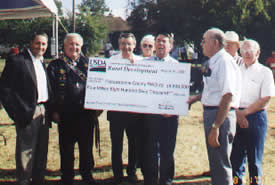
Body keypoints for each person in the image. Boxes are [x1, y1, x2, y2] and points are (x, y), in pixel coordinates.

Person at [188, 28, 239, 185]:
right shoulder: (214, 61)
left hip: (220, 117)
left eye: (204, 40)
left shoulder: (224, 61)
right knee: (216, 164)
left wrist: (216, 127)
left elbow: (227, 96)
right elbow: (214, 90)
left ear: (215, 43)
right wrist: (196, 98)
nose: (201, 44)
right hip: (213, 113)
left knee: (221, 164)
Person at [47, 33, 99, 185]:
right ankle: (67, 175)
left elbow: (102, 86)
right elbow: (50, 90)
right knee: (66, 148)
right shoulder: (55, 65)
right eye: (71, 44)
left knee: (86, 148)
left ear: (81, 46)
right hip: (65, 115)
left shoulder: (91, 64)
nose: (74, 47)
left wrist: (98, 108)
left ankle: (87, 174)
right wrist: (54, 111)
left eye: (77, 44)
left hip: (86, 114)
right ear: (64, 46)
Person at [0, 32, 51, 185]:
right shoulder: (17, 61)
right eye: (37, 43)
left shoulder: (42, 61)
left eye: (43, 44)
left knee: (41, 150)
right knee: (26, 150)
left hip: (43, 110)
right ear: (30, 43)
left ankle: (38, 179)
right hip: (27, 111)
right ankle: (23, 180)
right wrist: (16, 113)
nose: (40, 47)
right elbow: (5, 89)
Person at [230, 39, 275, 185]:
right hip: (235, 115)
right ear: (240, 52)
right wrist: (237, 113)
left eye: (251, 50)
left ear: (258, 52)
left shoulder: (265, 72)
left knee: (254, 161)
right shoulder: (235, 69)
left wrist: (245, 113)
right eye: (244, 50)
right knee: (235, 160)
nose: (247, 53)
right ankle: (237, 183)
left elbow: (266, 98)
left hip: (256, 117)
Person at [142, 32, 179, 185]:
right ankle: (150, 180)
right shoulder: (144, 64)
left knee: (167, 151)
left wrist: (173, 109)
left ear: (170, 46)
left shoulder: (177, 67)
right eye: (158, 41)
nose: (160, 44)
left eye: (164, 41)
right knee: (149, 150)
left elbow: (180, 93)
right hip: (150, 115)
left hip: (169, 116)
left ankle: (166, 180)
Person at [107, 32, 143, 184]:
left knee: (133, 144)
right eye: (123, 44)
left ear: (134, 45)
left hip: (134, 111)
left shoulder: (142, 62)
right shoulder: (111, 61)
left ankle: (132, 172)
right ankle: (117, 174)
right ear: (118, 45)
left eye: (129, 44)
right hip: (116, 111)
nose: (126, 47)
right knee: (116, 144)